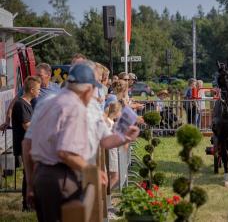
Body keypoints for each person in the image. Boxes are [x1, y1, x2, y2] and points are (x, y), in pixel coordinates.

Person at [28, 63, 140, 222]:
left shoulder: (46, 102)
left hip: (42, 175)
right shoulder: (75, 107)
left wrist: (31, 183)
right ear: (87, 90)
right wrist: (90, 170)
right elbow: (65, 152)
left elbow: (28, 143)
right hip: (62, 177)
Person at [0, 63, 61, 131]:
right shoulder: (30, 87)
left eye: (39, 75)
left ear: (48, 75)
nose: (36, 77)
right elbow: (13, 104)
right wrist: (7, 121)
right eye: (36, 75)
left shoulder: (57, 88)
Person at [11, 76, 41, 211]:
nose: (40, 92)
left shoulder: (28, 104)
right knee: (28, 174)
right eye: (38, 89)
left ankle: (31, 203)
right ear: (32, 90)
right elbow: (27, 126)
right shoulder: (20, 104)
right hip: (25, 144)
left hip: (31, 143)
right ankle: (27, 205)